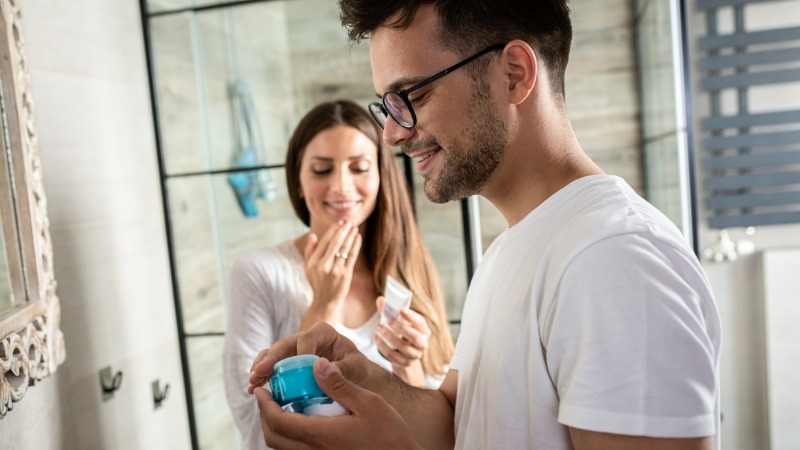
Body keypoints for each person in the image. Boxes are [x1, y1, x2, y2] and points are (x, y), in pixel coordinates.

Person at [247, 1, 722, 449]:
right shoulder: (510, 250)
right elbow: (458, 423)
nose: (391, 133)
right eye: (387, 106)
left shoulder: (616, 259)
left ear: (515, 74)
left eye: (413, 95)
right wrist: (364, 377)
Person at [223, 99, 454, 450]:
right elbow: (258, 430)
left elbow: (438, 432)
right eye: (322, 170)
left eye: (359, 168)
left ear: (380, 177)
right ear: (298, 182)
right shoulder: (257, 273)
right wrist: (324, 304)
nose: (342, 186)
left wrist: (408, 365)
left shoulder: (407, 269)